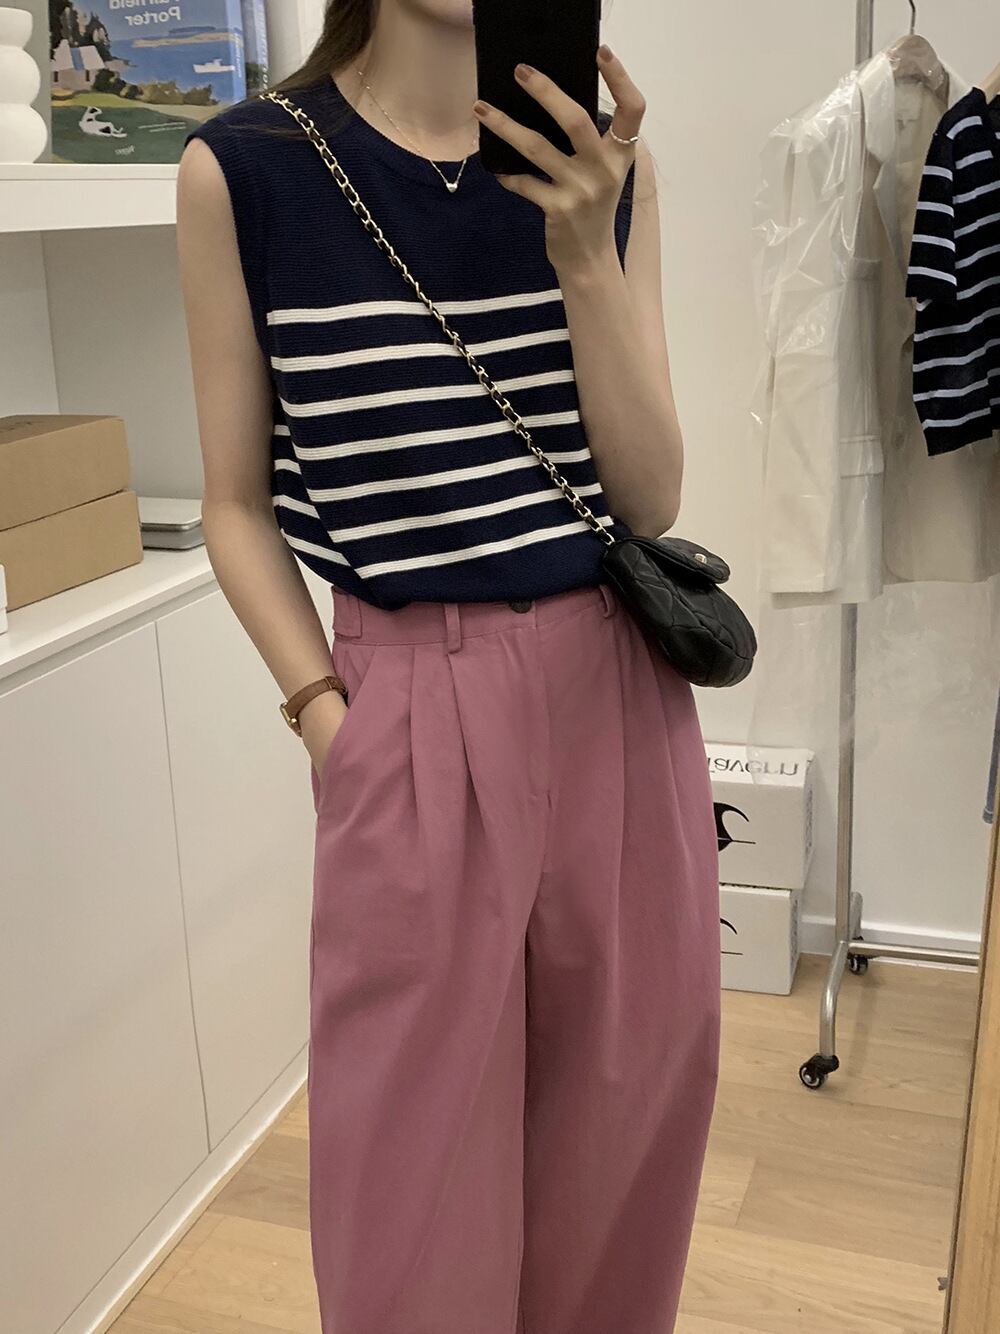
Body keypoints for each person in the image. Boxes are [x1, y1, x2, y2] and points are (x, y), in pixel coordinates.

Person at [175, 3, 720, 1330]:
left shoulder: (603, 170)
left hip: (619, 700)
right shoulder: (245, 169)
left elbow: (649, 495)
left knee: (621, 1148)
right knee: (408, 1192)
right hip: (407, 703)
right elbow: (234, 501)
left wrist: (586, 249)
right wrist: (326, 715)